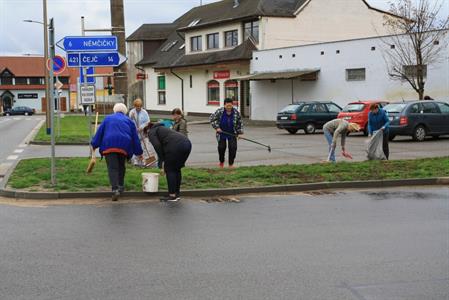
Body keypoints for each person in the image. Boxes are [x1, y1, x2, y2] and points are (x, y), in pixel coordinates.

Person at [91, 103, 143, 201]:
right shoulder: (129, 121)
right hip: (124, 147)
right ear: (125, 111)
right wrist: (138, 152)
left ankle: (115, 189)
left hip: (109, 146)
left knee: (113, 168)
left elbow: (99, 133)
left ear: (114, 110)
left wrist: (94, 144)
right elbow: (135, 139)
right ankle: (120, 186)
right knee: (121, 167)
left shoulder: (107, 119)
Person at [146, 122, 192, 202]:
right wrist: (162, 162)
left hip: (175, 146)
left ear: (147, 130)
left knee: (170, 170)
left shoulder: (151, 132)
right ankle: (176, 194)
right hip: (187, 143)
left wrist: (163, 161)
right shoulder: (163, 129)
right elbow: (162, 147)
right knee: (176, 169)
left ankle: (172, 195)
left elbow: (157, 146)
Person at [209, 98, 243, 168]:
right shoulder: (220, 111)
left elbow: (239, 123)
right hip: (221, 133)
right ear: (224, 105)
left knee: (233, 148)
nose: (229, 108)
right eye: (227, 106)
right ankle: (221, 162)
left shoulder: (236, 112)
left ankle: (231, 164)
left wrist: (239, 133)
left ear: (232, 105)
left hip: (232, 133)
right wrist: (217, 127)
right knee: (221, 148)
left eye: (230, 106)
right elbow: (212, 119)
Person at [128, 98, 154, 166]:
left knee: (144, 147)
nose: (138, 108)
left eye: (139, 106)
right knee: (136, 147)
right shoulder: (132, 112)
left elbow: (148, 122)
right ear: (134, 106)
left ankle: (145, 160)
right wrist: (131, 117)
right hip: (135, 133)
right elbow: (129, 121)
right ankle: (136, 160)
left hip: (143, 133)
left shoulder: (144, 112)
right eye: (137, 106)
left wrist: (142, 127)